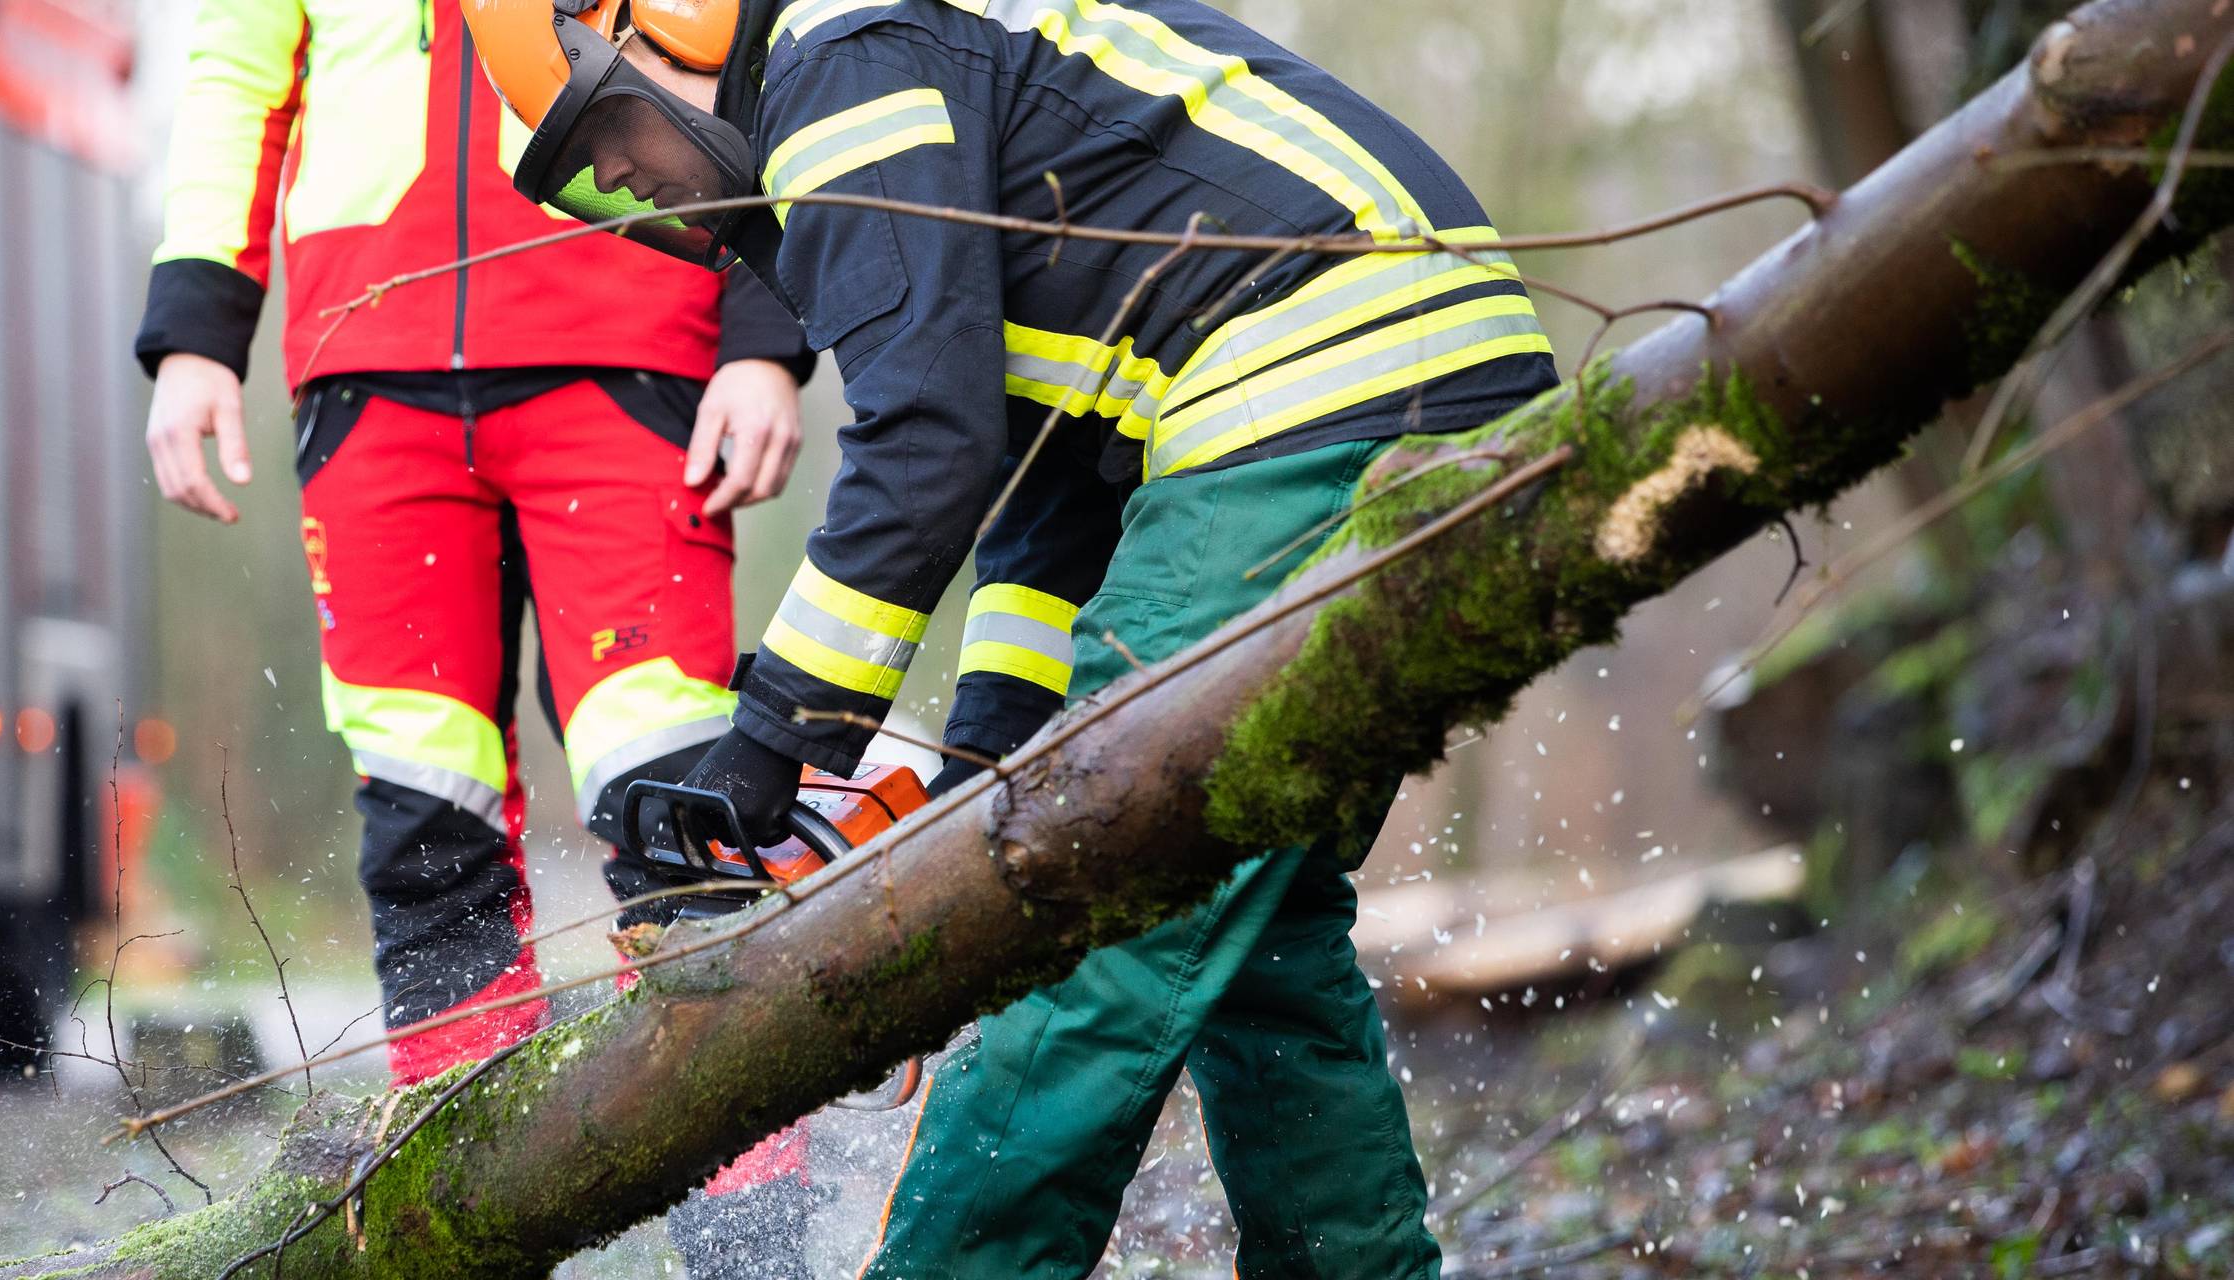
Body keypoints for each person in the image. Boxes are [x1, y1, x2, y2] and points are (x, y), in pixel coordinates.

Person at [462, 0, 1563, 1274]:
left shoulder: (837, 67)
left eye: (606, 128)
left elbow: (926, 443)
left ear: (666, 26)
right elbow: (1051, 492)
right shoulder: (899, 75)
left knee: (1105, 890)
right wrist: (987, 763)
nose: (617, 176)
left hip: (1323, 384)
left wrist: (769, 742)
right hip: (1412, 367)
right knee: (1256, 929)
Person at [132, 0, 822, 1270]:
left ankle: (760, 1255)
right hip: (367, 359)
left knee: (679, 827)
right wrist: (195, 325)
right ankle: (469, 1239)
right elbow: (238, 60)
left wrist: (769, 329)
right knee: (424, 835)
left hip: (627, 330)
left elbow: (763, 35)